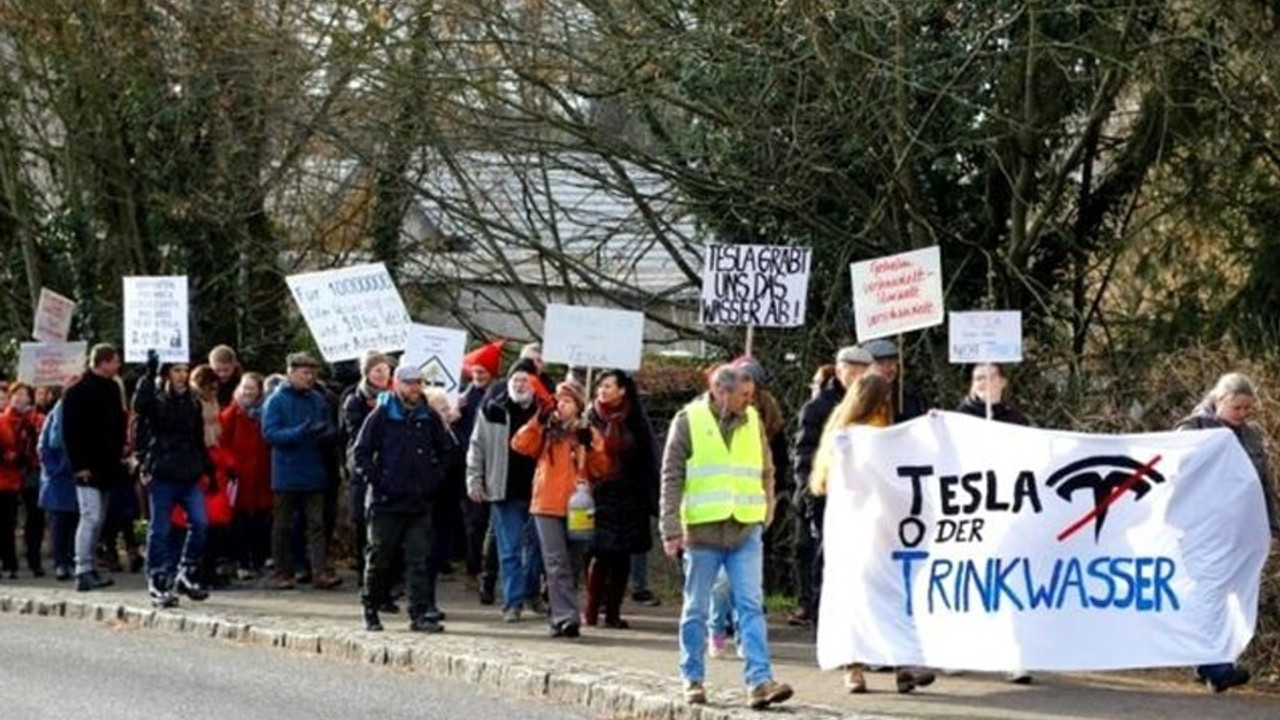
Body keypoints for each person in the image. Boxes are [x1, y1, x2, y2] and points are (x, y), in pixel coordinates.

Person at [659, 364, 793, 710]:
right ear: (722, 392)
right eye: (743, 396)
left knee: (751, 606)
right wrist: (671, 528)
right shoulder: (688, 420)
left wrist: (765, 512)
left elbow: (766, 469)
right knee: (696, 609)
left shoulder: (753, 422)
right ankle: (692, 678)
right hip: (702, 533)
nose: (750, 402)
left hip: (745, 529)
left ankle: (760, 681)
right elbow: (671, 477)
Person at [809, 372, 935, 694]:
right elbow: (847, 481)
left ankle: (903, 663)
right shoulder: (845, 436)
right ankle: (854, 666)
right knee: (856, 596)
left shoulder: (886, 433)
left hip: (883, 528)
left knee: (893, 592)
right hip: (853, 527)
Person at [1175, 372, 1279, 693]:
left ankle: (1208, 660)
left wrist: (1273, 525)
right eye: (1237, 407)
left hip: (1239, 530)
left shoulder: (1250, 437)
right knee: (1209, 591)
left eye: (1248, 409)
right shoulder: (1191, 430)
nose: (1243, 414)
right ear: (1218, 400)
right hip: (1203, 528)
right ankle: (1214, 666)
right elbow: (1176, 473)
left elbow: (1263, 483)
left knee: (1232, 593)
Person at [351, 364, 455, 633]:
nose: (414, 388)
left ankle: (419, 613)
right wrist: (379, 480)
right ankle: (371, 608)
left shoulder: (428, 416)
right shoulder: (382, 415)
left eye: (418, 383)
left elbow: (446, 450)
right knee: (380, 558)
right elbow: (360, 453)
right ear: (397, 384)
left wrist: (432, 478)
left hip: (419, 501)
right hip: (386, 501)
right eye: (409, 383)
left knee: (419, 559)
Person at [953, 362, 1033, 683]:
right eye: (977, 378)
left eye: (990, 377)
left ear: (1004, 382)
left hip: (1007, 513)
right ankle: (959, 650)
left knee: (1010, 583)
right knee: (967, 581)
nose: (983, 383)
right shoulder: (957, 419)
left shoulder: (1018, 421)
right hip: (970, 515)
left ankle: (1014, 656)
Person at [512, 381, 608, 638]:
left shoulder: (587, 432)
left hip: (578, 504)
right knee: (556, 561)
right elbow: (520, 444)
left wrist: (590, 446)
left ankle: (558, 605)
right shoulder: (546, 430)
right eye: (559, 401)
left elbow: (602, 469)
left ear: (577, 406)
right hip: (547, 502)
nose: (561, 406)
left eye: (567, 401)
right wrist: (538, 420)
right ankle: (566, 616)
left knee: (574, 560)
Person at [791, 346, 873, 627]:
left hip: (865, 498)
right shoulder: (818, 408)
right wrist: (811, 496)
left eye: (864, 370)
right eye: (853, 370)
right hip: (828, 497)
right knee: (826, 563)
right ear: (839, 372)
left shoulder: (876, 406)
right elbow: (805, 456)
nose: (859, 376)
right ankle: (824, 623)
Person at [133, 353, 215, 607]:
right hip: (163, 471)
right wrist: (147, 375)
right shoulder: (158, 400)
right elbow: (141, 406)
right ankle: (158, 576)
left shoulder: (192, 402)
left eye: (184, 370)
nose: (181, 375)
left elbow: (197, 437)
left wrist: (207, 469)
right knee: (160, 528)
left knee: (200, 523)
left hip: (188, 471)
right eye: (176, 370)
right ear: (167, 373)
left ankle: (186, 570)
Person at [467, 359, 543, 622]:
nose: (520, 384)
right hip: (504, 491)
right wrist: (474, 480)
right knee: (510, 550)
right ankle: (513, 603)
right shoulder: (492, 409)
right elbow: (477, 447)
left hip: (539, 494)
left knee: (535, 551)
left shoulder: (545, 412)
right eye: (515, 379)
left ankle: (531, 594)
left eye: (525, 380)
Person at [585, 369, 660, 629]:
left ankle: (614, 612)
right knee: (600, 552)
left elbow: (648, 455)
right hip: (599, 493)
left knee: (622, 557)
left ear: (622, 390)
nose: (602, 391)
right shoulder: (590, 416)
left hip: (630, 495)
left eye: (608, 386)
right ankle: (592, 610)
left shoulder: (635, 417)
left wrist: (652, 494)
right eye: (600, 386)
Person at [263, 352, 342, 590]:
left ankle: (320, 571)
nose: (310, 378)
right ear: (291, 372)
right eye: (305, 373)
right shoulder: (276, 400)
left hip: (313, 469)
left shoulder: (317, 399)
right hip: (287, 471)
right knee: (283, 524)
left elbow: (329, 426)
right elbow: (270, 433)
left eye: (313, 373)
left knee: (317, 524)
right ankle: (282, 571)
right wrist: (300, 432)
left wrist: (325, 432)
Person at [63, 343, 129, 592]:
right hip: (87, 466)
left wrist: (121, 448)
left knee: (99, 517)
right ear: (103, 362)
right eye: (115, 360)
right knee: (90, 516)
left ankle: (90, 566)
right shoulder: (78, 392)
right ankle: (82, 568)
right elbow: (71, 432)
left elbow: (116, 423)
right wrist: (78, 465)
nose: (118, 365)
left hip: (107, 463)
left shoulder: (112, 388)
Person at [341, 351, 395, 584]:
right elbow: (354, 434)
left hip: (391, 464)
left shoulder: (395, 397)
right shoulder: (354, 399)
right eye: (378, 371)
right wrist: (374, 413)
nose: (383, 375)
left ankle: (390, 575)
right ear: (367, 373)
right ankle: (366, 574)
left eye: (386, 370)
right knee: (365, 521)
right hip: (364, 466)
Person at [458, 340, 502, 602]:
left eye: (482, 373)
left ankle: (489, 574)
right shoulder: (464, 396)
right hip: (472, 466)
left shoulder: (498, 394)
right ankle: (473, 569)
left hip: (494, 469)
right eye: (474, 373)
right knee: (474, 524)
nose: (477, 377)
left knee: (492, 527)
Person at [220, 373, 273, 579]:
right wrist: (230, 465)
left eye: (251, 388)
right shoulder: (231, 414)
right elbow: (223, 442)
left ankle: (258, 560)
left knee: (262, 520)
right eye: (244, 387)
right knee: (239, 521)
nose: (247, 392)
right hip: (238, 476)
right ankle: (242, 562)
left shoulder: (265, 413)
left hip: (261, 473)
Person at [0, 383, 43, 578]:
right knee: (6, 521)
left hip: (30, 472)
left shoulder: (35, 419)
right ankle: (9, 562)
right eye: (16, 394)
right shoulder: (2, 421)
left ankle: (34, 559)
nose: (20, 398)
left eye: (24, 394)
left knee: (35, 516)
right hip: (7, 475)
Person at [38, 389, 79, 581]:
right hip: (58, 479)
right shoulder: (55, 416)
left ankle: (71, 559)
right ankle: (60, 562)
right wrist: (55, 469)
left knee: (75, 522)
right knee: (59, 523)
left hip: (75, 476)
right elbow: (44, 447)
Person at [860, 338, 926, 422]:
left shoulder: (905, 395)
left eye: (891, 363)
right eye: (880, 364)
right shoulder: (857, 398)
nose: (888, 369)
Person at [956, 363, 1030, 426]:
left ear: (1003, 382)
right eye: (979, 378)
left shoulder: (1016, 419)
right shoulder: (961, 417)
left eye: (991, 377)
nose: (985, 382)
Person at [209, 345, 243, 409]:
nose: (222, 374)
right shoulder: (206, 384)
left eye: (226, 370)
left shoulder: (242, 383)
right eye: (217, 370)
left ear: (234, 366)